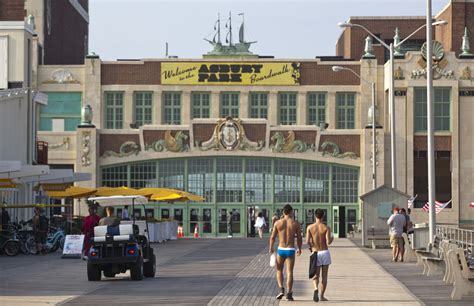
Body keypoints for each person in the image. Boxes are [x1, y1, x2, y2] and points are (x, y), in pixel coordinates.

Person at [269, 204, 302, 301]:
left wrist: (271, 248)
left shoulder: (277, 223)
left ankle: (281, 289)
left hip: (281, 249)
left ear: (283, 212)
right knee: (289, 272)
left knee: (279, 270)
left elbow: (272, 237)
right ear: (291, 212)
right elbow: (299, 238)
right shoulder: (295, 223)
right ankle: (289, 294)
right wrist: (299, 248)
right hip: (290, 249)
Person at [306, 209, 333, 302]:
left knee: (316, 275)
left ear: (315, 216)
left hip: (316, 252)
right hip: (325, 252)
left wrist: (311, 249)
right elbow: (328, 242)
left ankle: (315, 289)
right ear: (323, 216)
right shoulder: (326, 228)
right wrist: (332, 238)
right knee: (324, 275)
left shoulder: (310, 227)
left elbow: (307, 242)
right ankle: (322, 296)